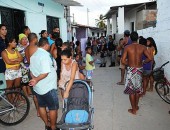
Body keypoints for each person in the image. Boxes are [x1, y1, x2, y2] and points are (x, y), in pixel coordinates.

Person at [29, 37, 58, 130]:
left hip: (38, 88)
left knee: (41, 106)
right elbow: (45, 72)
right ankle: (53, 127)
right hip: (48, 87)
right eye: (49, 45)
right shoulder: (45, 55)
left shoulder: (33, 55)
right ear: (46, 45)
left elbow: (31, 71)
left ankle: (47, 124)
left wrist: (34, 79)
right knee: (53, 108)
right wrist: (36, 79)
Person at [121, 32, 151, 115]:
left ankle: (133, 109)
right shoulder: (143, 47)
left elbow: (123, 61)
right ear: (137, 38)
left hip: (131, 70)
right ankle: (136, 107)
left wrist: (129, 63)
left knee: (131, 91)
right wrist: (143, 61)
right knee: (137, 90)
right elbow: (150, 58)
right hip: (139, 70)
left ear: (130, 38)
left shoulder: (127, 47)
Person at [25, 33, 39, 117]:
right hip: (37, 72)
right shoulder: (35, 48)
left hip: (31, 70)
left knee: (34, 94)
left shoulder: (26, 48)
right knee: (40, 92)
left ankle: (38, 110)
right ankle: (42, 110)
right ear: (34, 39)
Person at [0, 24, 8, 90]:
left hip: (7, 60)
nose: (5, 31)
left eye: (5, 29)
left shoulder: (7, 39)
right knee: (2, 76)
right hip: (1, 61)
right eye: (2, 29)